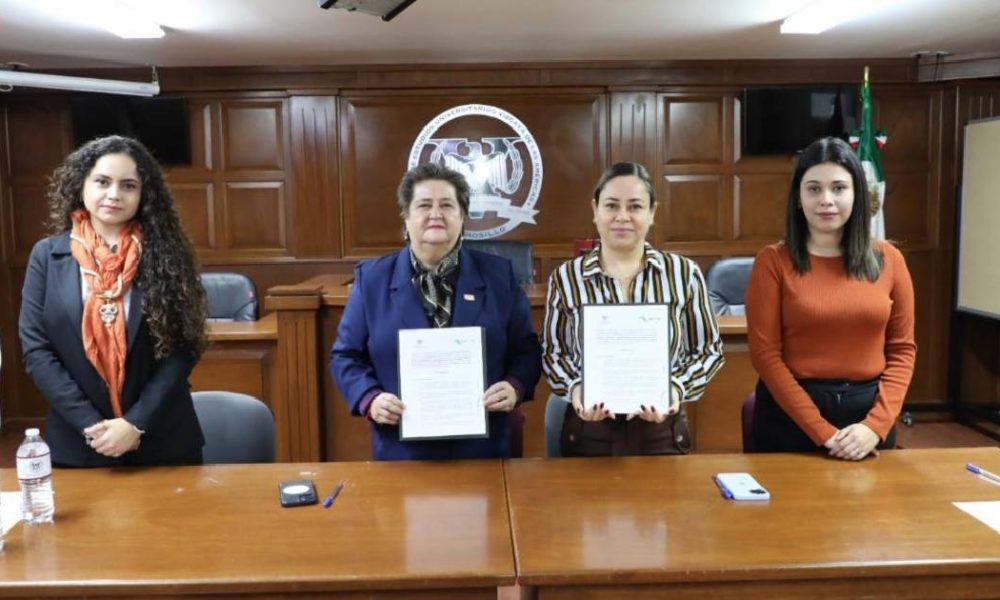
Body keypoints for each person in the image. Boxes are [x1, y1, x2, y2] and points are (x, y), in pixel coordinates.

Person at [330, 163, 542, 460]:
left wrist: (514, 386)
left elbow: (527, 350)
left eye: (447, 205)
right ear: (406, 216)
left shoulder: (498, 276)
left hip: (485, 451)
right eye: (424, 205)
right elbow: (345, 356)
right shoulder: (372, 280)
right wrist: (370, 398)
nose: (435, 214)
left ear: (462, 216)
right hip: (401, 450)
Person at [19, 135, 207, 467]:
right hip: (80, 444)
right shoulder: (46, 256)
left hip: (161, 440)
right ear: (81, 185)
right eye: (102, 181)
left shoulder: (167, 254)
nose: (114, 194)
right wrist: (93, 427)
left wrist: (135, 423)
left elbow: (183, 348)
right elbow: (37, 350)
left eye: (128, 185)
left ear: (143, 195)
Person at [745, 136, 916, 460]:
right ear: (798, 198)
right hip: (790, 419)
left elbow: (902, 350)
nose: (826, 200)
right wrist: (823, 433)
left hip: (867, 421)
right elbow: (765, 355)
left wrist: (875, 426)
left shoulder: (890, 259)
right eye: (813, 189)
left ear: (857, 194)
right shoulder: (772, 262)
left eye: (838, 188)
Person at [542, 162, 725, 456]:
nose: (622, 217)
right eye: (611, 205)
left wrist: (675, 388)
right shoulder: (567, 278)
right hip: (589, 430)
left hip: (660, 431)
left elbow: (708, 351)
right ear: (595, 210)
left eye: (635, 207)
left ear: (652, 213)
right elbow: (553, 353)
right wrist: (576, 387)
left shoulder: (683, 273)